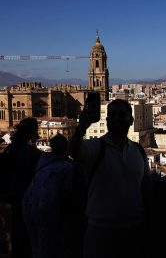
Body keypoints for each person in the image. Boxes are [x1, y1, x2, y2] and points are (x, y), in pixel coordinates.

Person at [69, 99, 152, 258]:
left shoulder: (138, 150)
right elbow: (73, 151)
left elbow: (146, 187)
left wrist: (149, 223)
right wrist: (81, 129)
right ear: (106, 120)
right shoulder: (95, 147)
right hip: (100, 231)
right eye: (112, 115)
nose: (116, 118)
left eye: (122, 114)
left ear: (131, 120)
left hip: (133, 230)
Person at [22, 133, 75, 258]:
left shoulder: (43, 159)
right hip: (47, 208)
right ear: (66, 148)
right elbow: (66, 193)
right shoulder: (67, 167)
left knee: (35, 244)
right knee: (47, 246)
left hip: (28, 203)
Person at [2, 118, 42, 258]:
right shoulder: (31, 152)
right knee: (25, 238)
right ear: (32, 132)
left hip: (8, 199)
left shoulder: (10, 149)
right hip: (24, 199)